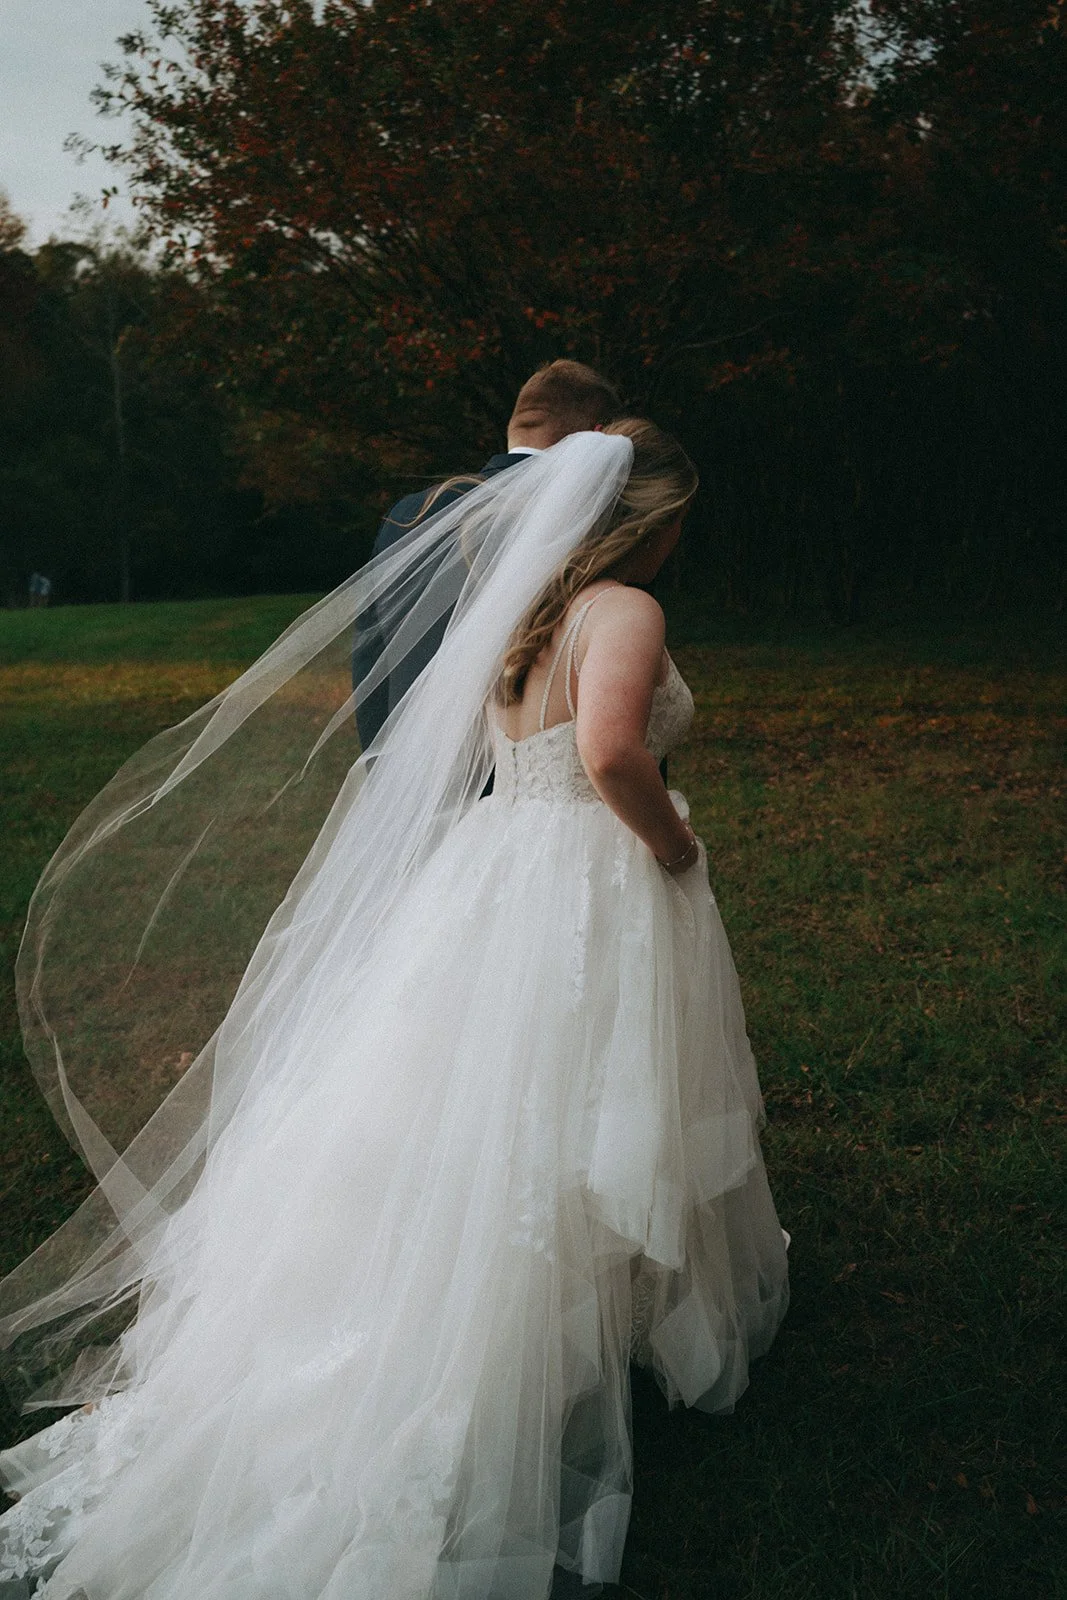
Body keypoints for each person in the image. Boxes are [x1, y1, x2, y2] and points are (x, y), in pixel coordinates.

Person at [0, 421, 789, 1599]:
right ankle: (507, 1362)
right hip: (583, 871)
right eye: (680, 521)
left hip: (494, 867)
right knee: (568, 1103)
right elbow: (616, 751)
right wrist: (674, 849)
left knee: (464, 1110)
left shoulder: (520, 613)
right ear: (651, 522)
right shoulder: (621, 612)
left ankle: (526, 1329)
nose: (682, 541)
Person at [355, 359, 621, 749]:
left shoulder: (410, 513)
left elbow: (371, 653)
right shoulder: (585, 521)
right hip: (523, 783)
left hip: (415, 767)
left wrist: (386, 774)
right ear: (599, 436)